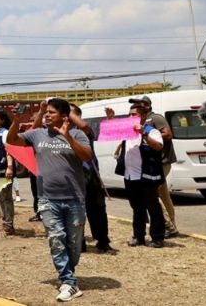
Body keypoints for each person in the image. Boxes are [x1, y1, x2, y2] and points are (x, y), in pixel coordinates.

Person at [6, 98, 92, 303]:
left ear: (64, 116)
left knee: (73, 243)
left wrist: (68, 138)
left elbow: (87, 156)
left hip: (75, 197)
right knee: (56, 238)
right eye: (46, 112)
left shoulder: (77, 134)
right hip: (47, 198)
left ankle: (68, 275)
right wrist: (16, 121)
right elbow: (12, 141)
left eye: (51, 112)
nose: (46, 115)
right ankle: (68, 281)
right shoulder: (37, 134)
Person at [114, 105, 166, 248]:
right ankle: (138, 236)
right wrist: (111, 118)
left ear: (143, 116)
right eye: (129, 114)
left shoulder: (151, 131)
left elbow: (158, 146)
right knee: (137, 207)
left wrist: (144, 134)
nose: (131, 117)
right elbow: (113, 131)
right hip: (130, 176)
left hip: (146, 175)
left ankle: (157, 237)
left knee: (152, 206)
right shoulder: (127, 132)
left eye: (134, 115)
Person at [129, 96, 178, 238]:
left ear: (148, 106)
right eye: (136, 104)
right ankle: (171, 225)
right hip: (149, 164)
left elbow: (167, 135)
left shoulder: (154, 119)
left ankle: (168, 225)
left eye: (141, 104)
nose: (138, 105)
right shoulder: (136, 122)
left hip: (161, 162)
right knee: (163, 195)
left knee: (152, 194)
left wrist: (149, 134)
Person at [76, 104, 113, 252]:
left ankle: (102, 240)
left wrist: (69, 111)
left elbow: (84, 126)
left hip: (90, 174)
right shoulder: (59, 132)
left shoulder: (84, 131)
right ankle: (79, 242)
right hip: (74, 176)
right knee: (77, 210)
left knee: (97, 209)